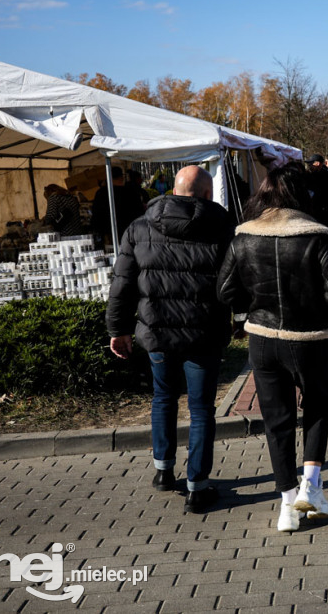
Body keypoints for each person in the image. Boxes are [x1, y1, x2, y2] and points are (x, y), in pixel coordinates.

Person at [217, 165, 328, 532]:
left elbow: (225, 292)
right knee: (316, 407)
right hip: (309, 339)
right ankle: (312, 484)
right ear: (302, 194)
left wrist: (256, 304)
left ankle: (286, 504)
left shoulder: (243, 236)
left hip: (263, 340)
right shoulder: (317, 236)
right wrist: (319, 306)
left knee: (277, 421)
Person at [107, 165, 233, 514]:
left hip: (157, 331)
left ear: (174, 191)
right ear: (207, 195)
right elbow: (232, 283)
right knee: (201, 408)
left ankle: (163, 470)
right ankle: (198, 486)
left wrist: (118, 329)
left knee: (163, 397)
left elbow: (122, 284)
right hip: (203, 334)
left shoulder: (139, 227)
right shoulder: (221, 227)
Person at [91, 166, 145, 248]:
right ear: (122, 177)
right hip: (129, 233)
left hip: (108, 234)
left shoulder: (101, 193)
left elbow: (96, 214)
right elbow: (140, 212)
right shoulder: (130, 192)